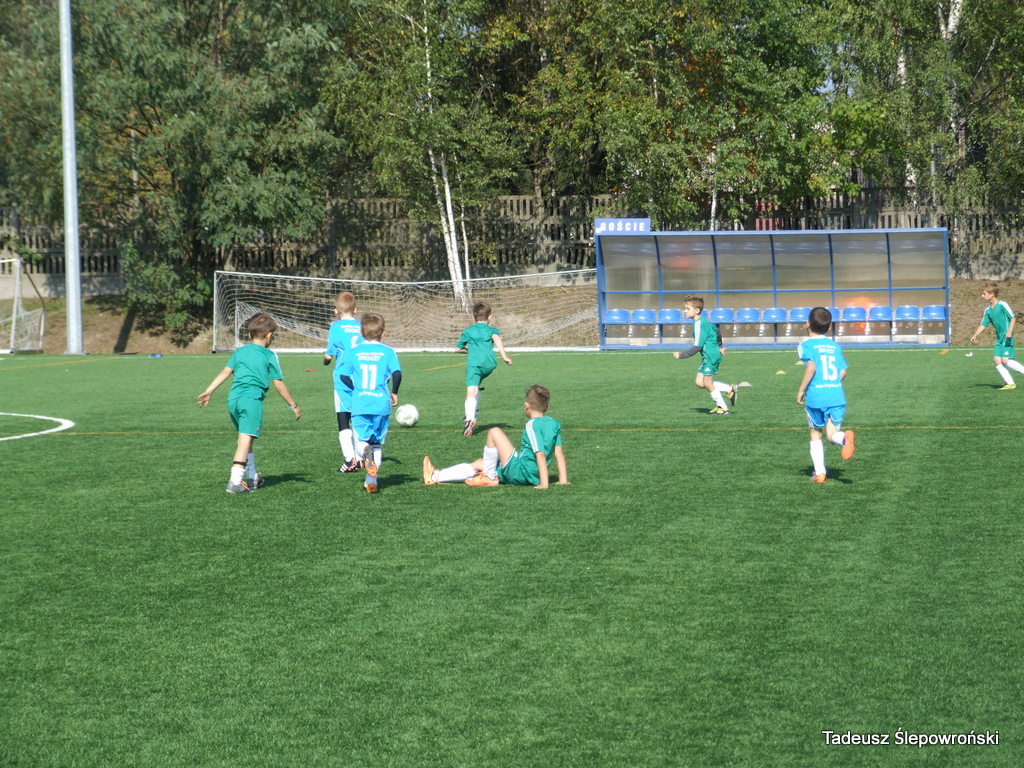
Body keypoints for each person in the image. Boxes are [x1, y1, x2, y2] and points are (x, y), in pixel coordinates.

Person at [197, 313, 301, 493]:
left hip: (233, 399)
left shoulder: (240, 351)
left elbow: (225, 372)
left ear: (250, 335)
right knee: (245, 439)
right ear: (269, 336)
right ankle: (235, 482)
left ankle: (252, 477)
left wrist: (209, 390)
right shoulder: (269, 355)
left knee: (247, 437)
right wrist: (293, 405)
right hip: (251, 400)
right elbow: (278, 384)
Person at [422, 384, 568, 489]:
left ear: (526, 405)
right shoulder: (554, 424)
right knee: (481, 463)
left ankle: (489, 477)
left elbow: (540, 454)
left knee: (494, 432)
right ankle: (435, 476)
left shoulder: (532, 425)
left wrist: (544, 484)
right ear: (547, 407)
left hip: (521, 471)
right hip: (531, 473)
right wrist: (563, 480)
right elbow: (559, 453)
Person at [337, 312, 402, 493]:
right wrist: (394, 392)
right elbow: (397, 374)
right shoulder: (388, 352)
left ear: (361, 332)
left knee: (362, 442)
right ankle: (371, 481)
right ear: (383, 333)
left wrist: (356, 388)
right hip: (381, 404)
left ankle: (366, 454)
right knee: (376, 444)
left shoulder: (354, 352)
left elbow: (343, 376)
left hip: (361, 403)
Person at [796, 307, 855, 483]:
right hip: (836, 395)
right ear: (829, 328)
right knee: (831, 434)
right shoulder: (834, 346)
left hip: (817, 396)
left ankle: (820, 473)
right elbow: (843, 371)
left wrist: (801, 390)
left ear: (807, 324)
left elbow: (812, 366)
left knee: (815, 432)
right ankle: (843, 439)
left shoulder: (805, 345)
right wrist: (832, 383)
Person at [671, 296, 738, 414]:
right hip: (708, 356)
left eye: (687, 309)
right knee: (699, 383)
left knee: (707, 383)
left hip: (711, 356)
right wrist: (720, 346)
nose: (684, 311)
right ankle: (729, 389)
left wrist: (681, 355)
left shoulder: (699, 324)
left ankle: (722, 407)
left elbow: (697, 347)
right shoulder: (703, 322)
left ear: (697, 310)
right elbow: (717, 331)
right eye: (684, 308)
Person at [323, 292, 365, 471]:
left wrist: (326, 360)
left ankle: (350, 460)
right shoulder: (361, 326)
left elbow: (329, 354)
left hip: (342, 377)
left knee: (343, 417)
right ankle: (361, 457)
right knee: (357, 416)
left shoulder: (336, 326)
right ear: (355, 310)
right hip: (360, 377)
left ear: (335, 311)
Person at [456, 301, 512, 436]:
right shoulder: (492, 330)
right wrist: (504, 356)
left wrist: (469, 350)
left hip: (475, 363)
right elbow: (497, 340)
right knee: (477, 386)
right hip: (489, 364)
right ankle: (473, 412)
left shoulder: (468, 331)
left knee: (471, 389)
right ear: (490, 317)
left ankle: (470, 419)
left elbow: (458, 349)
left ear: (473, 317)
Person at [969, 281, 1024, 390]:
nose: (982, 295)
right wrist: (975, 335)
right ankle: (1010, 383)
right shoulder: (988, 310)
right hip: (999, 338)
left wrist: (1009, 331)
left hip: (1007, 336)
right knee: (997, 360)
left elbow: (1013, 318)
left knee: (1005, 360)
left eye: (984, 293)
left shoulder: (1002, 305)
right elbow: (983, 325)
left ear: (992, 294)